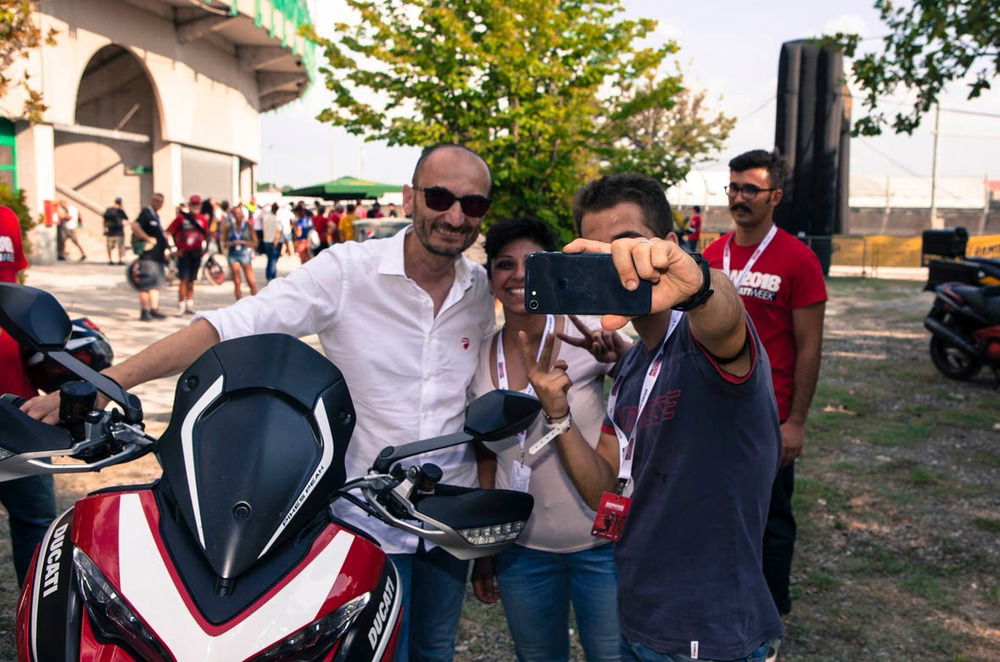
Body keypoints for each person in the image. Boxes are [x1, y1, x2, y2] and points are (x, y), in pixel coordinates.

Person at [22, 144, 496, 662]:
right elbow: (227, 328)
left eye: (472, 205)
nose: (454, 216)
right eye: (440, 197)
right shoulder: (346, 272)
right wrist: (104, 382)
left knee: (436, 649)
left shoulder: (481, 289)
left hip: (445, 519)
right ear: (410, 198)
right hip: (365, 519)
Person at [518, 173, 783, 662]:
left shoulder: (705, 340)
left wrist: (699, 286)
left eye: (627, 245)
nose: (618, 263)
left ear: (668, 247)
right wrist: (558, 415)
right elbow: (604, 490)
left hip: (710, 635)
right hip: (641, 621)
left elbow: (725, 321)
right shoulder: (633, 363)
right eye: (602, 252)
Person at [470, 216, 622, 662]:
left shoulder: (587, 336)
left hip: (602, 547)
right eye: (504, 264)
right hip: (522, 552)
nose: (518, 275)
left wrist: (619, 356)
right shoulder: (479, 353)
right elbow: (483, 457)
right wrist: (486, 551)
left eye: (532, 263)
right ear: (491, 280)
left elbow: (649, 390)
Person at [703, 149, 827, 630]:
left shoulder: (799, 259)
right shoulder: (712, 255)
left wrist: (795, 421)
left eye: (750, 189)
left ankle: (768, 613)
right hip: (710, 413)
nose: (739, 197)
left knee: (769, 518)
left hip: (766, 416)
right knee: (712, 510)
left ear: (775, 196)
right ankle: (717, 600)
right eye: (733, 187)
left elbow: (809, 347)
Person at [0, 204, 58, 586]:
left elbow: (17, 289)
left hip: (19, 407)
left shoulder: (6, 218)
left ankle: (35, 623)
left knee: (37, 522)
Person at [167, 196, 209, 314]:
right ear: (189, 205)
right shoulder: (181, 218)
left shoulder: (203, 219)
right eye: (193, 204)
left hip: (196, 253)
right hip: (184, 253)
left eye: (197, 204)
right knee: (183, 280)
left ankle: (190, 304)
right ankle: (181, 305)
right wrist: (173, 249)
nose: (195, 207)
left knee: (192, 280)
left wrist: (205, 249)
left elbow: (207, 234)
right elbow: (168, 232)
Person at [131, 193, 169, 321]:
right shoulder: (146, 213)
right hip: (148, 257)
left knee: (156, 284)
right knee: (146, 284)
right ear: (151, 200)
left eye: (161, 201)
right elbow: (134, 225)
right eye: (156, 201)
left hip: (157, 256)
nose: (159, 203)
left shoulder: (155, 215)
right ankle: (145, 311)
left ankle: (154, 309)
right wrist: (147, 239)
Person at [221, 204, 258, 300]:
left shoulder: (248, 226)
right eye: (235, 213)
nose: (237, 215)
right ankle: (239, 304)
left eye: (239, 213)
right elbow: (224, 242)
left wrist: (243, 242)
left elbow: (255, 243)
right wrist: (228, 243)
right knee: (237, 281)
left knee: (251, 281)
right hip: (233, 254)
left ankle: (256, 302)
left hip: (245, 254)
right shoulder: (229, 227)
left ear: (243, 214)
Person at [260, 202, 282, 281]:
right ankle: (271, 277)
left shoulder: (266, 217)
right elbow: (278, 231)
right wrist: (276, 242)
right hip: (273, 241)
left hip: (266, 240)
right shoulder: (277, 219)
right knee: (273, 260)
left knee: (269, 259)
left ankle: (268, 275)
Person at [103, 197, 128, 265]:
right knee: (119, 247)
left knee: (111, 247)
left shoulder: (110, 210)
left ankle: (111, 260)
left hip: (112, 231)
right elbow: (126, 219)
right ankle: (118, 260)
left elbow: (104, 220)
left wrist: (104, 229)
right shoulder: (118, 211)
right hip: (118, 231)